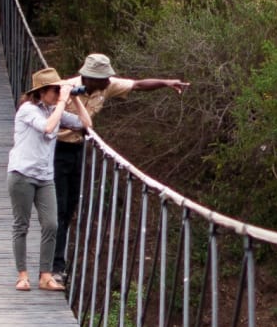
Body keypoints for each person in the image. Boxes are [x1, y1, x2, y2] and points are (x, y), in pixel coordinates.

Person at [51, 52, 189, 280]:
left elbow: (137, 85)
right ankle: (55, 266)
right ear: (89, 77)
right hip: (54, 149)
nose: (108, 81)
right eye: (104, 77)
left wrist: (165, 82)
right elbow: (36, 107)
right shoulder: (64, 88)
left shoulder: (105, 86)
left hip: (76, 149)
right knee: (59, 207)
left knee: (69, 208)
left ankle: (57, 262)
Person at [8, 67, 89, 292]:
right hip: (22, 174)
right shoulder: (28, 109)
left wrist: (75, 98)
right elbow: (48, 127)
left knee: (52, 224)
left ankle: (45, 276)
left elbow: (86, 125)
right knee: (21, 225)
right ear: (42, 92)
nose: (57, 93)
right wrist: (63, 102)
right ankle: (22, 275)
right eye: (54, 90)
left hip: (45, 177)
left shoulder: (53, 109)